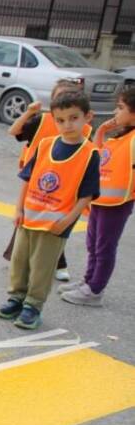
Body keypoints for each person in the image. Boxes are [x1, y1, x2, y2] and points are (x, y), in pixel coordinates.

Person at [0, 90, 99, 330]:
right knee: (19, 262)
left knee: (43, 267)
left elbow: (87, 194)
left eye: (74, 118)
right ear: (53, 119)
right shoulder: (44, 145)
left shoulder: (89, 153)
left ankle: (33, 305)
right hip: (29, 217)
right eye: (61, 120)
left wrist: (68, 220)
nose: (67, 125)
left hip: (56, 224)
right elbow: (27, 178)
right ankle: (16, 298)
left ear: (88, 117)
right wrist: (18, 209)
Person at [4, 79, 91, 278]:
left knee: (55, 225)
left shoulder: (83, 129)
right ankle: (22, 261)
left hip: (64, 186)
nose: (66, 123)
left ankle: (58, 263)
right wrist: (29, 112)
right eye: (60, 97)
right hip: (37, 180)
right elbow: (13, 131)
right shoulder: (41, 120)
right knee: (27, 223)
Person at [60, 87, 135, 307]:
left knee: (104, 247)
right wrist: (101, 131)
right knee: (92, 243)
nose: (115, 111)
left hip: (118, 203)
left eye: (120, 107)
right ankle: (88, 281)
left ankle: (94, 290)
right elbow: (98, 157)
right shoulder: (120, 137)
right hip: (101, 200)